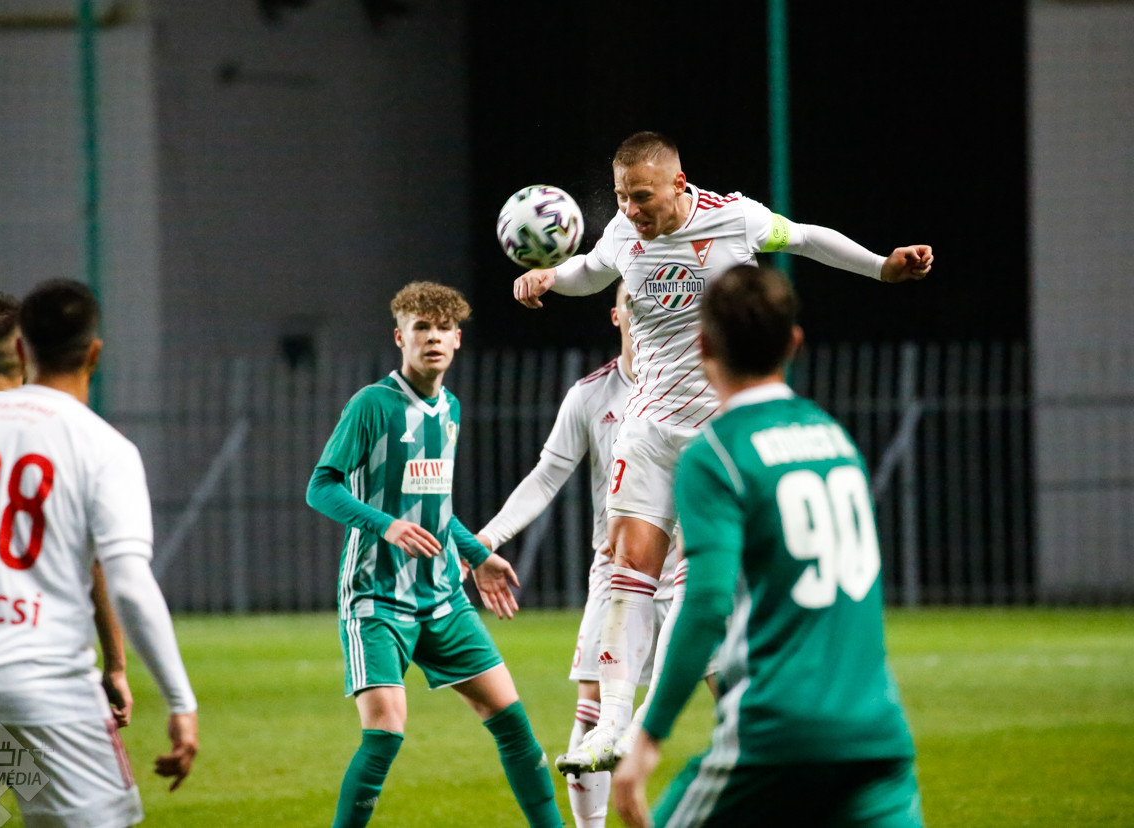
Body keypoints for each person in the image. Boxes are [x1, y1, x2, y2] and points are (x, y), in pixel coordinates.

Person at [514, 131, 933, 773]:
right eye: (622, 196)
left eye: (642, 196)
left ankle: (652, 719)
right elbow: (589, 272)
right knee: (627, 566)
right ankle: (612, 727)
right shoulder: (623, 234)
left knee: (693, 583)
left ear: (679, 185)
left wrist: (882, 266)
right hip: (648, 429)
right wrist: (550, 276)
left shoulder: (734, 218)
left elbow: (805, 238)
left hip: (716, 439)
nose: (629, 209)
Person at [611, 265, 922, 827]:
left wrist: (649, 735)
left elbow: (706, 601)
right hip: (877, 729)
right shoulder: (835, 439)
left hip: (778, 732)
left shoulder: (716, 454)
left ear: (704, 345)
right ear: (794, 343)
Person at [0, 280, 199, 827]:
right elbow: (128, 584)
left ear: (24, 348)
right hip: (46, 693)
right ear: (94, 352)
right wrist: (179, 700)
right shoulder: (101, 445)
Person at [306, 281, 562, 828]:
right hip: (378, 598)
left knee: (514, 724)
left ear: (458, 339)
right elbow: (321, 487)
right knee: (384, 734)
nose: (434, 338)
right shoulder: (373, 405)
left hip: (443, 597)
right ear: (400, 337)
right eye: (421, 327)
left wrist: (477, 554)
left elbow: (435, 506)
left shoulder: (450, 408)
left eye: (444, 328)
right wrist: (386, 525)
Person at [477, 281, 678, 828]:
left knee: (737, 706)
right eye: (635, 303)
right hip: (617, 576)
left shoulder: (696, 387)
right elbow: (546, 477)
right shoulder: (591, 395)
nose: (646, 312)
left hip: (689, 573)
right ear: (617, 315)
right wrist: (487, 538)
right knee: (591, 716)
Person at [0, 290, 134, 731]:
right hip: (43, 676)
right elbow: (98, 561)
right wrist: (116, 665)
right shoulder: (66, 434)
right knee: (78, 783)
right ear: (27, 352)